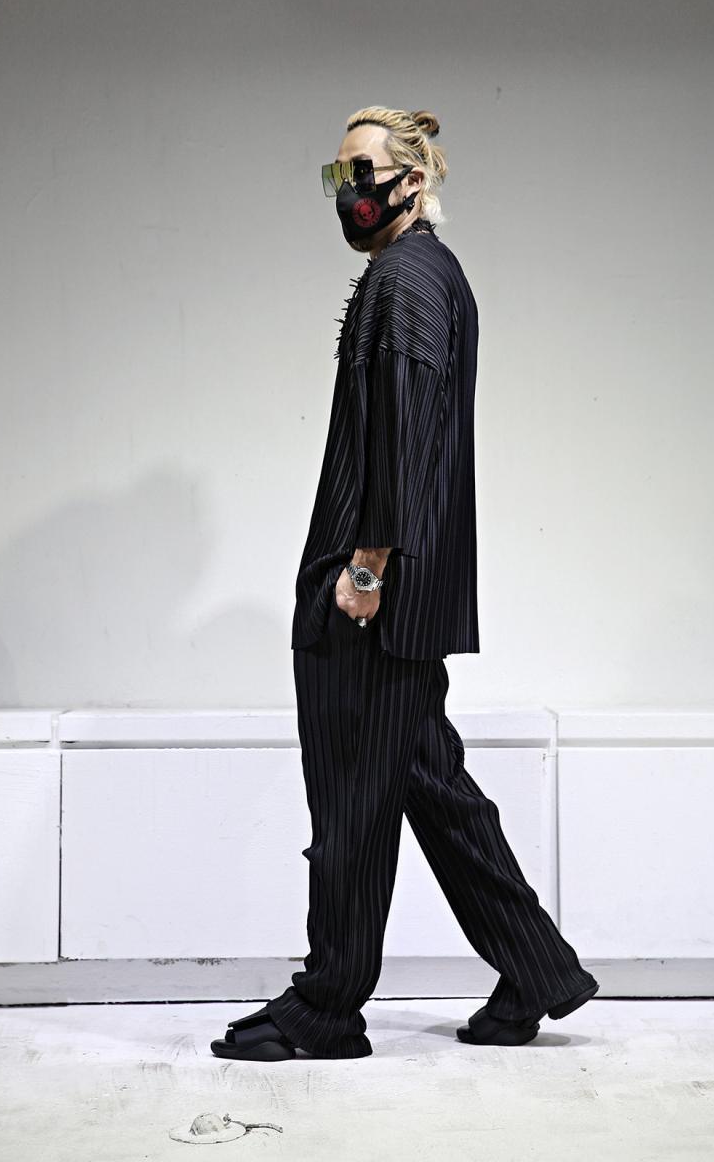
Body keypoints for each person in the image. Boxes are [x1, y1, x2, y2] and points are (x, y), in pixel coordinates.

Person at [211, 105, 598, 1063]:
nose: (349, 193)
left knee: (351, 799)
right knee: (430, 785)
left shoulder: (407, 279)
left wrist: (365, 568)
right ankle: (538, 969)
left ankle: (328, 1006)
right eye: (337, 175)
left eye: (363, 173)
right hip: (403, 594)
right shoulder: (424, 274)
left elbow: (409, 436)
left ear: (412, 183)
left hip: (372, 599)